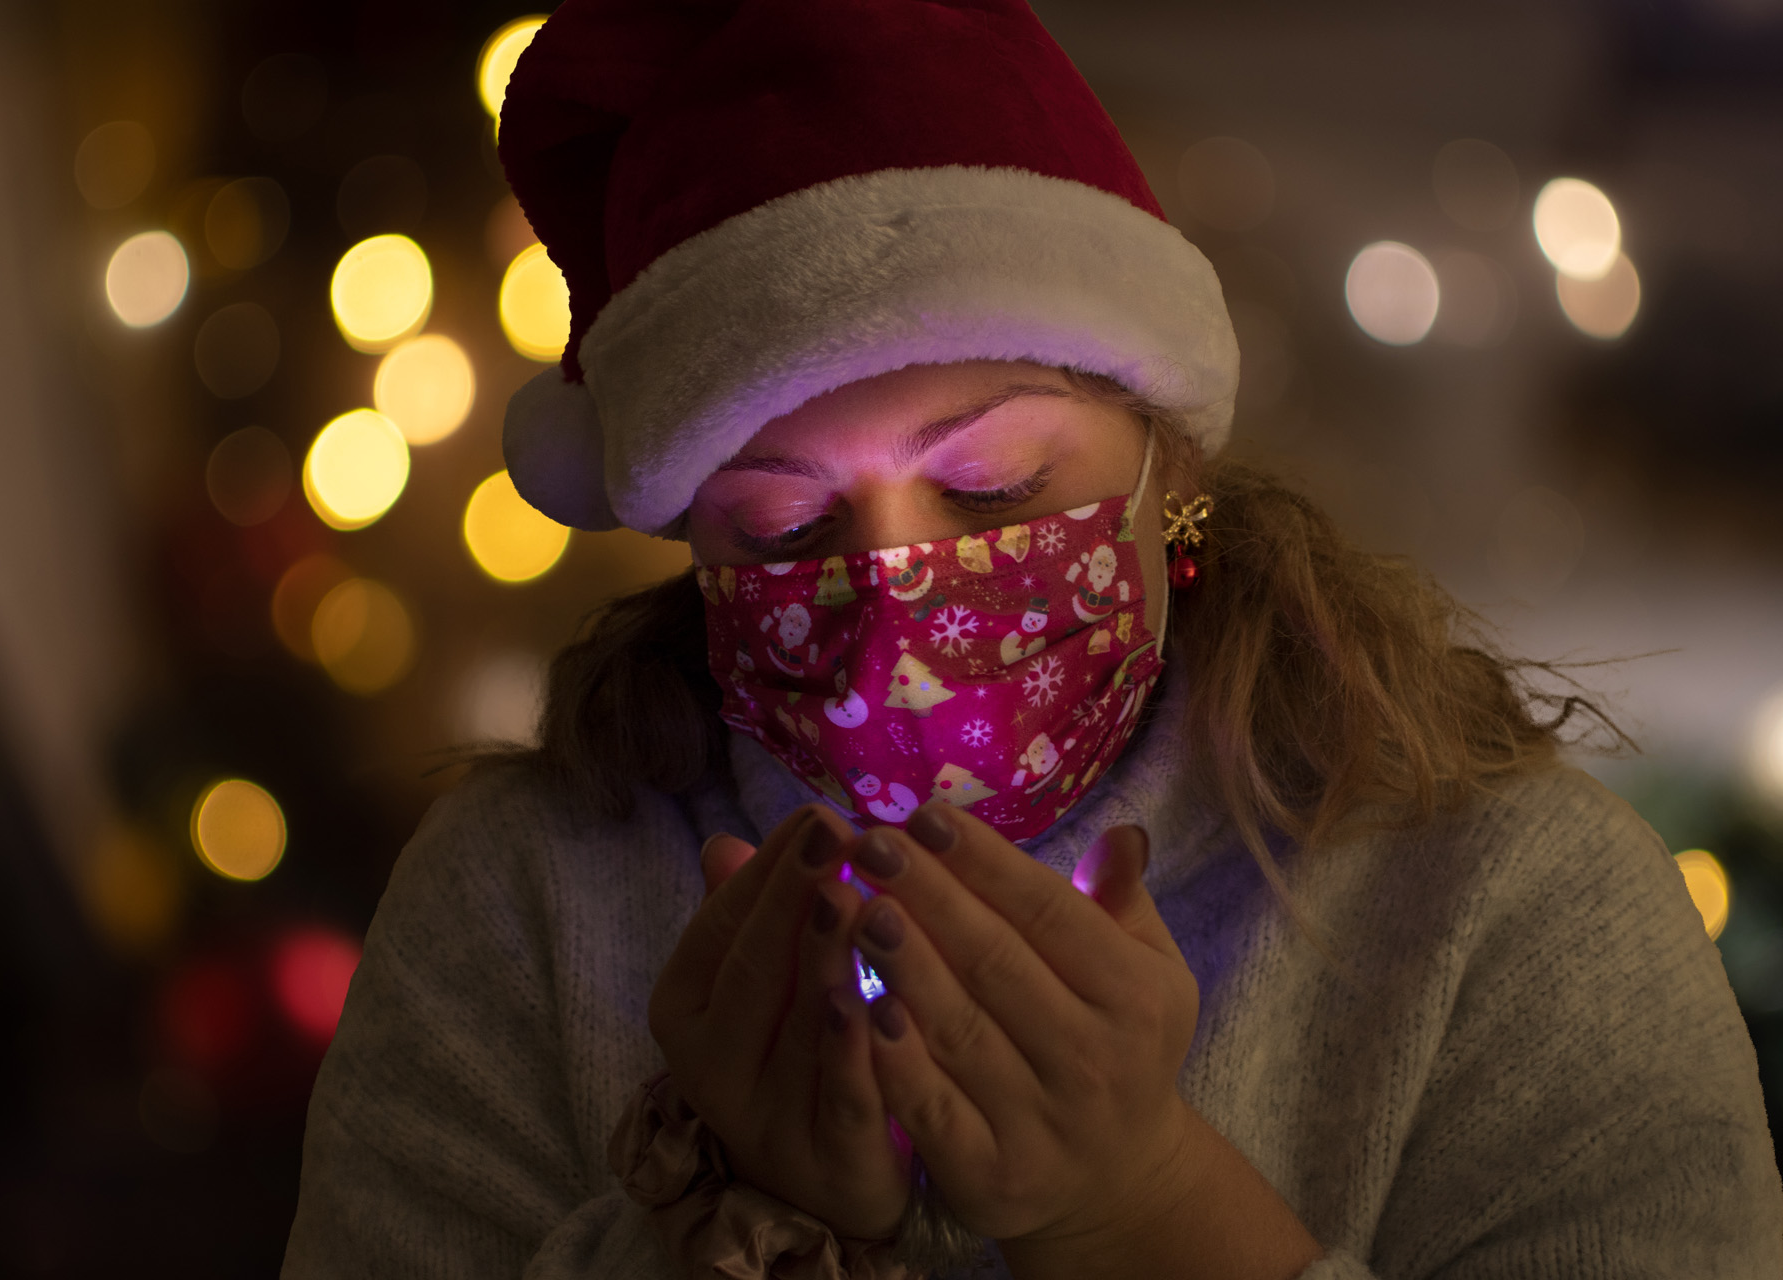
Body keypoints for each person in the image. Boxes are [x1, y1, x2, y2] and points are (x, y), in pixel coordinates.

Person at [281, 2, 1783, 1277]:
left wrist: (1147, 1210)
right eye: (788, 531)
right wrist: (720, 1224)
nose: (900, 598)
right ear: (691, 546)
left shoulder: (1513, 911)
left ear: (1166, 469)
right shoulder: (521, 904)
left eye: (996, 485)